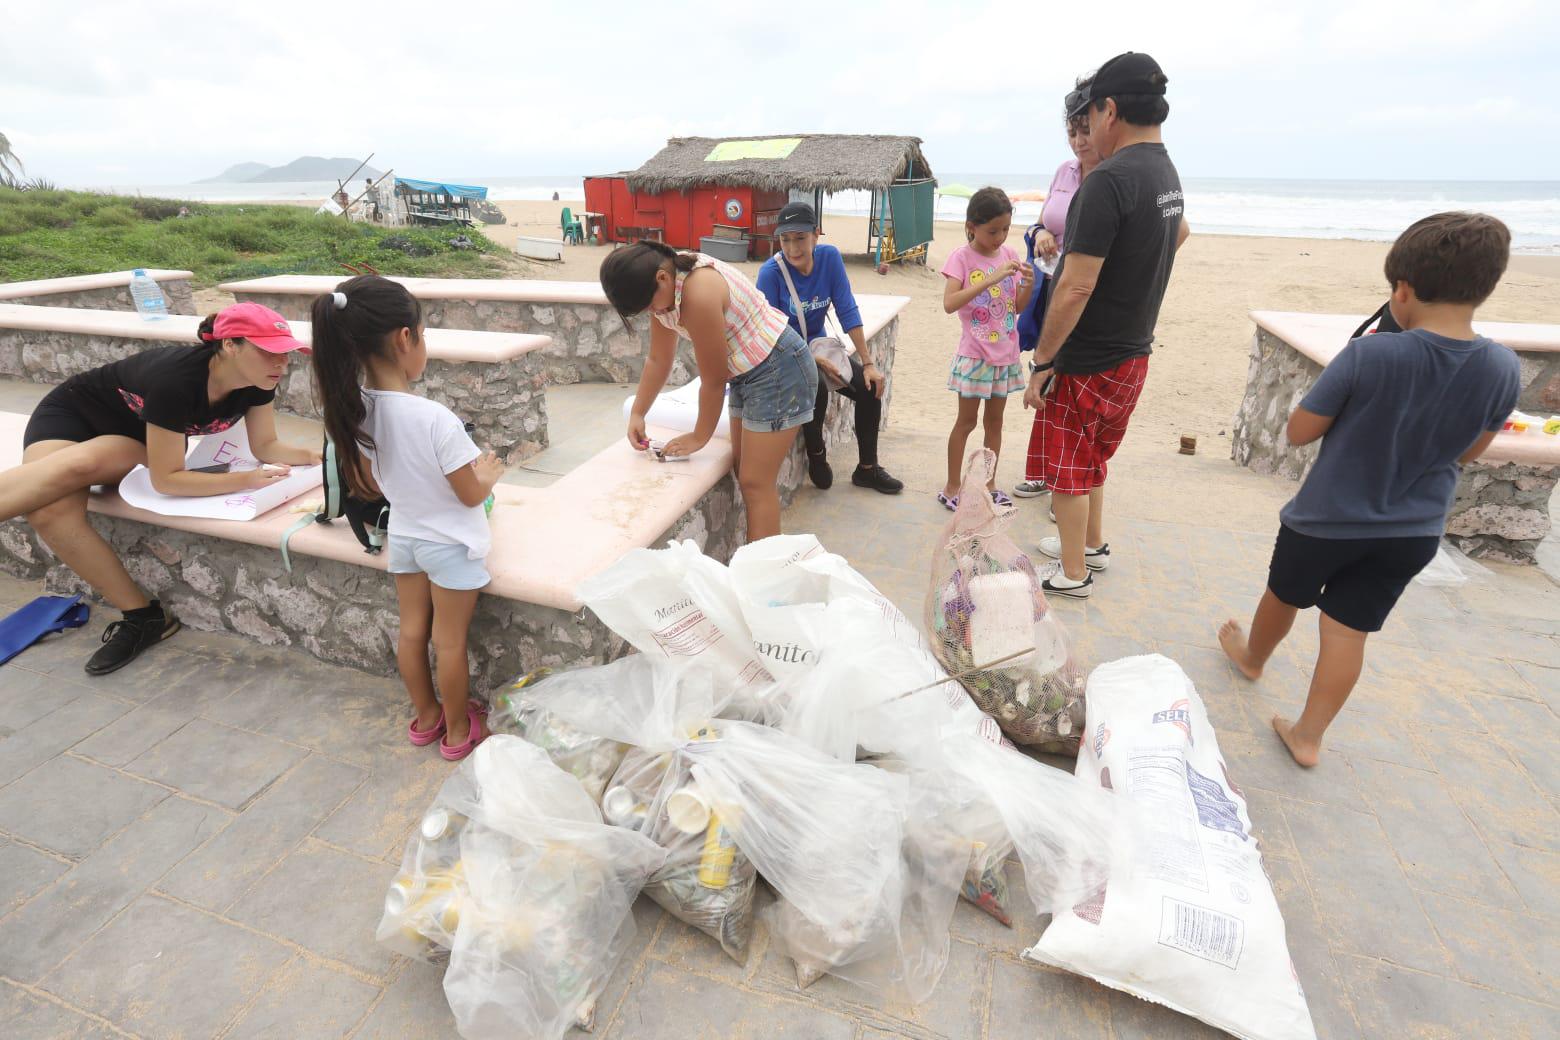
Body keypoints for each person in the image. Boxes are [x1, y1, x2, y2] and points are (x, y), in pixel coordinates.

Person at [1219, 213, 1520, 768]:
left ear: (1402, 291)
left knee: (1284, 595)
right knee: (1349, 632)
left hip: (1324, 521)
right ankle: (1308, 736)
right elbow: (1471, 452)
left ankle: (1253, 656)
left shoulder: (1370, 353)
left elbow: (1299, 431)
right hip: (1413, 531)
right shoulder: (1502, 366)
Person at [0, 302, 318, 674]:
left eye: (285, 354)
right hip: (72, 416)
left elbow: (266, 446)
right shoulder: (179, 380)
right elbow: (168, 480)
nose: (282, 364)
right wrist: (245, 479)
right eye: (269, 352)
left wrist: (317, 456)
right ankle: (144, 617)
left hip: (136, 440)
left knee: (84, 464)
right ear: (231, 345)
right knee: (49, 511)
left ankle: (143, 620)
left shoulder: (258, 382)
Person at [309, 275, 504, 761]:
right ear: (404, 338)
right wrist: (490, 475)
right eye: (423, 333)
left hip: (407, 540)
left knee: (413, 632)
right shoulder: (436, 418)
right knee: (450, 643)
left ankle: (426, 717)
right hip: (451, 546)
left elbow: (373, 484)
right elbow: (467, 497)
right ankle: (459, 732)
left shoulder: (355, 410)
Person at [1022, 51, 1190, 598]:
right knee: (1094, 455)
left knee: (1069, 464)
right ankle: (1092, 544)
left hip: (1091, 353)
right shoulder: (1165, 171)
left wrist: (1043, 361)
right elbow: (1178, 234)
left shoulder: (1109, 180)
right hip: (1134, 350)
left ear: (1110, 110)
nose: (1087, 128)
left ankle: (1073, 573)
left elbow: (1073, 286)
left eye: (1091, 116)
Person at [600, 241, 818, 541]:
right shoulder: (663, 288)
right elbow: (658, 359)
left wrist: (699, 436)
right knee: (747, 475)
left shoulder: (697, 292)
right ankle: (757, 565)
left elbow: (714, 381)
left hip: (779, 368)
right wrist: (638, 412)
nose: (652, 312)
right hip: (748, 371)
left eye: (648, 305)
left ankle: (763, 580)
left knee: (756, 483)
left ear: (662, 279)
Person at [755, 201, 902, 495]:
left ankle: (867, 469)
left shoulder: (829, 258)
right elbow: (770, 333)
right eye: (785, 240)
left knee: (870, 387)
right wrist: (815, 362)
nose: (793, 248)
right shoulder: (771, 274)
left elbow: (846, 307)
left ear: (816, 235)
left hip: (821, 348)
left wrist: (868, 362)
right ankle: (817, 453)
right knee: (817, 387)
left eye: (800, 238)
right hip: (784, 356)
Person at [1016, 82, 1102, 499]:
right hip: (1051, 287)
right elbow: (1038, 223)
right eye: (1072, 132)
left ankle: (1067, 488)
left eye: (1085, 131)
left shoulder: (1110, 175)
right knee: (1044, 375)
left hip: (1086, 295)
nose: (1079, 142)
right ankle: (1043, 470)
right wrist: (1041, 232)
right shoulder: (1064, 172)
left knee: (1072, 385)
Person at [939, 187, 1034, 510]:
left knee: (995, 423)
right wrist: (990, 279)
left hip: (1005, 355)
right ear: (971, 226)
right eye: (993, 230)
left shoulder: (1009, 256)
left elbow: (1015, 308)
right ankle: (953, 485)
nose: (1000, 237)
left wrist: (1028, 286)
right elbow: (950, 303)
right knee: (966, 422)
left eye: (1005, 230)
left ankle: (989, 483)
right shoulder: (961, 258)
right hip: (975, 355)